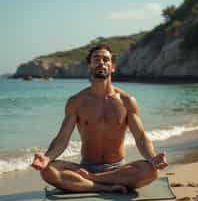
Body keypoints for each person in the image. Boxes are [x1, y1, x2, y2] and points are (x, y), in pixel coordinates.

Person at [32, 44, 168, 193]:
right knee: (48, 170)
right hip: (85, 167)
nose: (101, 63)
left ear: (113, 66)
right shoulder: (77, 101)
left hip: (117, 169)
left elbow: (141, 138)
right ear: (89, 65)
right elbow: (62, 139)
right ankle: (104, 187)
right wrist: (46, 158)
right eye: (96, 59)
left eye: (106, 59)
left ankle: (93, 180)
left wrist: (152, 158)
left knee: (151, 170)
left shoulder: (127, 101)